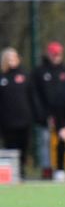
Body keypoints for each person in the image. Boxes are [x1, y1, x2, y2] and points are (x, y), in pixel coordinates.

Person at [30, 41, 65, 179]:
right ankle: (46, 168)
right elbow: (35, 94)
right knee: (45, 141)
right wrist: (42, 114)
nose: (56, 56)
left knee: (62, 139)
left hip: (63, 114)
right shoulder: (39, 72)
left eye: (58, 54)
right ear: (48, 54)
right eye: (53, 54)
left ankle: (60, 168)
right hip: (45, 113)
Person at [0, 48, 33, 176]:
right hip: (7, 121)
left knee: (23, 147)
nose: (11, 61)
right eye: (8, 59)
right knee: (10, 147)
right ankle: (13, 174)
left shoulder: (25, 77)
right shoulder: (2, 79)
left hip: (24, 119)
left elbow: (31, 97)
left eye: (13, 58)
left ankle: (22, 172)